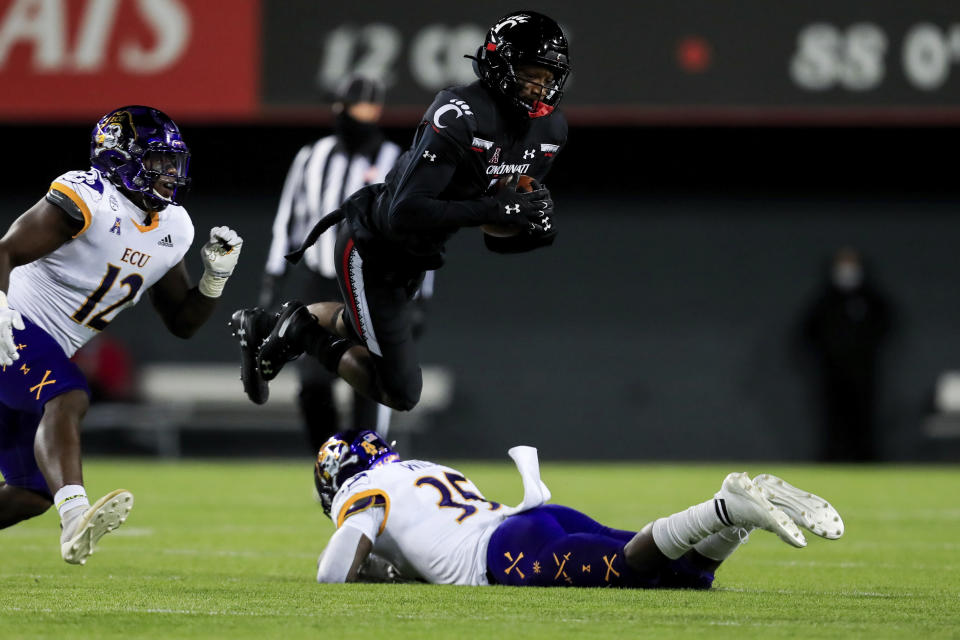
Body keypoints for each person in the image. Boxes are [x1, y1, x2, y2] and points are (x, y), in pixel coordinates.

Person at [230, 11, 567, 414]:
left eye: (548, 79)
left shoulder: (549, 131)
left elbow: (494, 234)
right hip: (373, 245)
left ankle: (273, 324)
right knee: (400, 391)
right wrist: (497, 207)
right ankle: (302, 333)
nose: (539, 88)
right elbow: (404, 211)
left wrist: (528, 225)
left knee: (358, 327)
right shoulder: (459, 112)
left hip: (418, 254)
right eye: (531, 74)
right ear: (500, 63)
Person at [0, 105, 244, 564]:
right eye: (158, 161)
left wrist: (215, 279)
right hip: (9, 323)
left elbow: (182, 322)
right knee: (68, 396)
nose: (171, 173)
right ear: (119, 158)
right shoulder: (88, 198)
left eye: (174, 161)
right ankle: (75, 519)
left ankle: (60, 505)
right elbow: (5, 251)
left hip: (40, 349)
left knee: (30, 491)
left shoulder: (174, 227)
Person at [312, 431, 844, 586]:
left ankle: (726, 508)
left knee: (629, 573)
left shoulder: (362, 491)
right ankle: (736, 518)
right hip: (532, 522)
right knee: (683, 579)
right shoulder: (417, 469)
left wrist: (364, 575)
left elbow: (335, 571)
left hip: (502, 552)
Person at [249, 74, 418, 452]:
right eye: (356, 106)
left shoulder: (395, 159)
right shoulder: (312, 156)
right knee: (312, 383)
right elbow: (287, 223)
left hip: (373, 284)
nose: (361, 115)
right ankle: (327, 464)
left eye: (368, 107)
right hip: (321, 281)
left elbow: (416, 230)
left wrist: (419, 299)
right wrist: (271, 283)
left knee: (372, 383)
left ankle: (370, 468)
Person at [799, 247, 894, 462]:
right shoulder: (825, 302)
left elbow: (886, 324)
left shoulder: (871, 300)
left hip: (864, 374)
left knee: (864, 420)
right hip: (832, 374)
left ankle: (867, 462)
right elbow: (808, 333)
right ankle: (832, 460)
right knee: (833, 421)